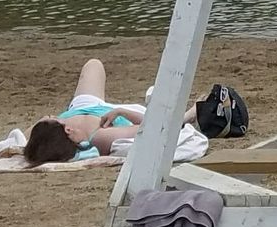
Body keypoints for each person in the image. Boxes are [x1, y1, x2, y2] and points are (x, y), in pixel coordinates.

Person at [20, 58, 193, 167]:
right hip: (102, 111)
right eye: (52, 118)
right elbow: (154, 125)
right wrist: (122, 111)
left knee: (93, 64)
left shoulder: (45, 138)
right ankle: (189, 115)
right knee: (174, 116)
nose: (51, 115)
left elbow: (25, 141)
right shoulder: (100, 137)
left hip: (82, 105)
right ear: (68, 130)